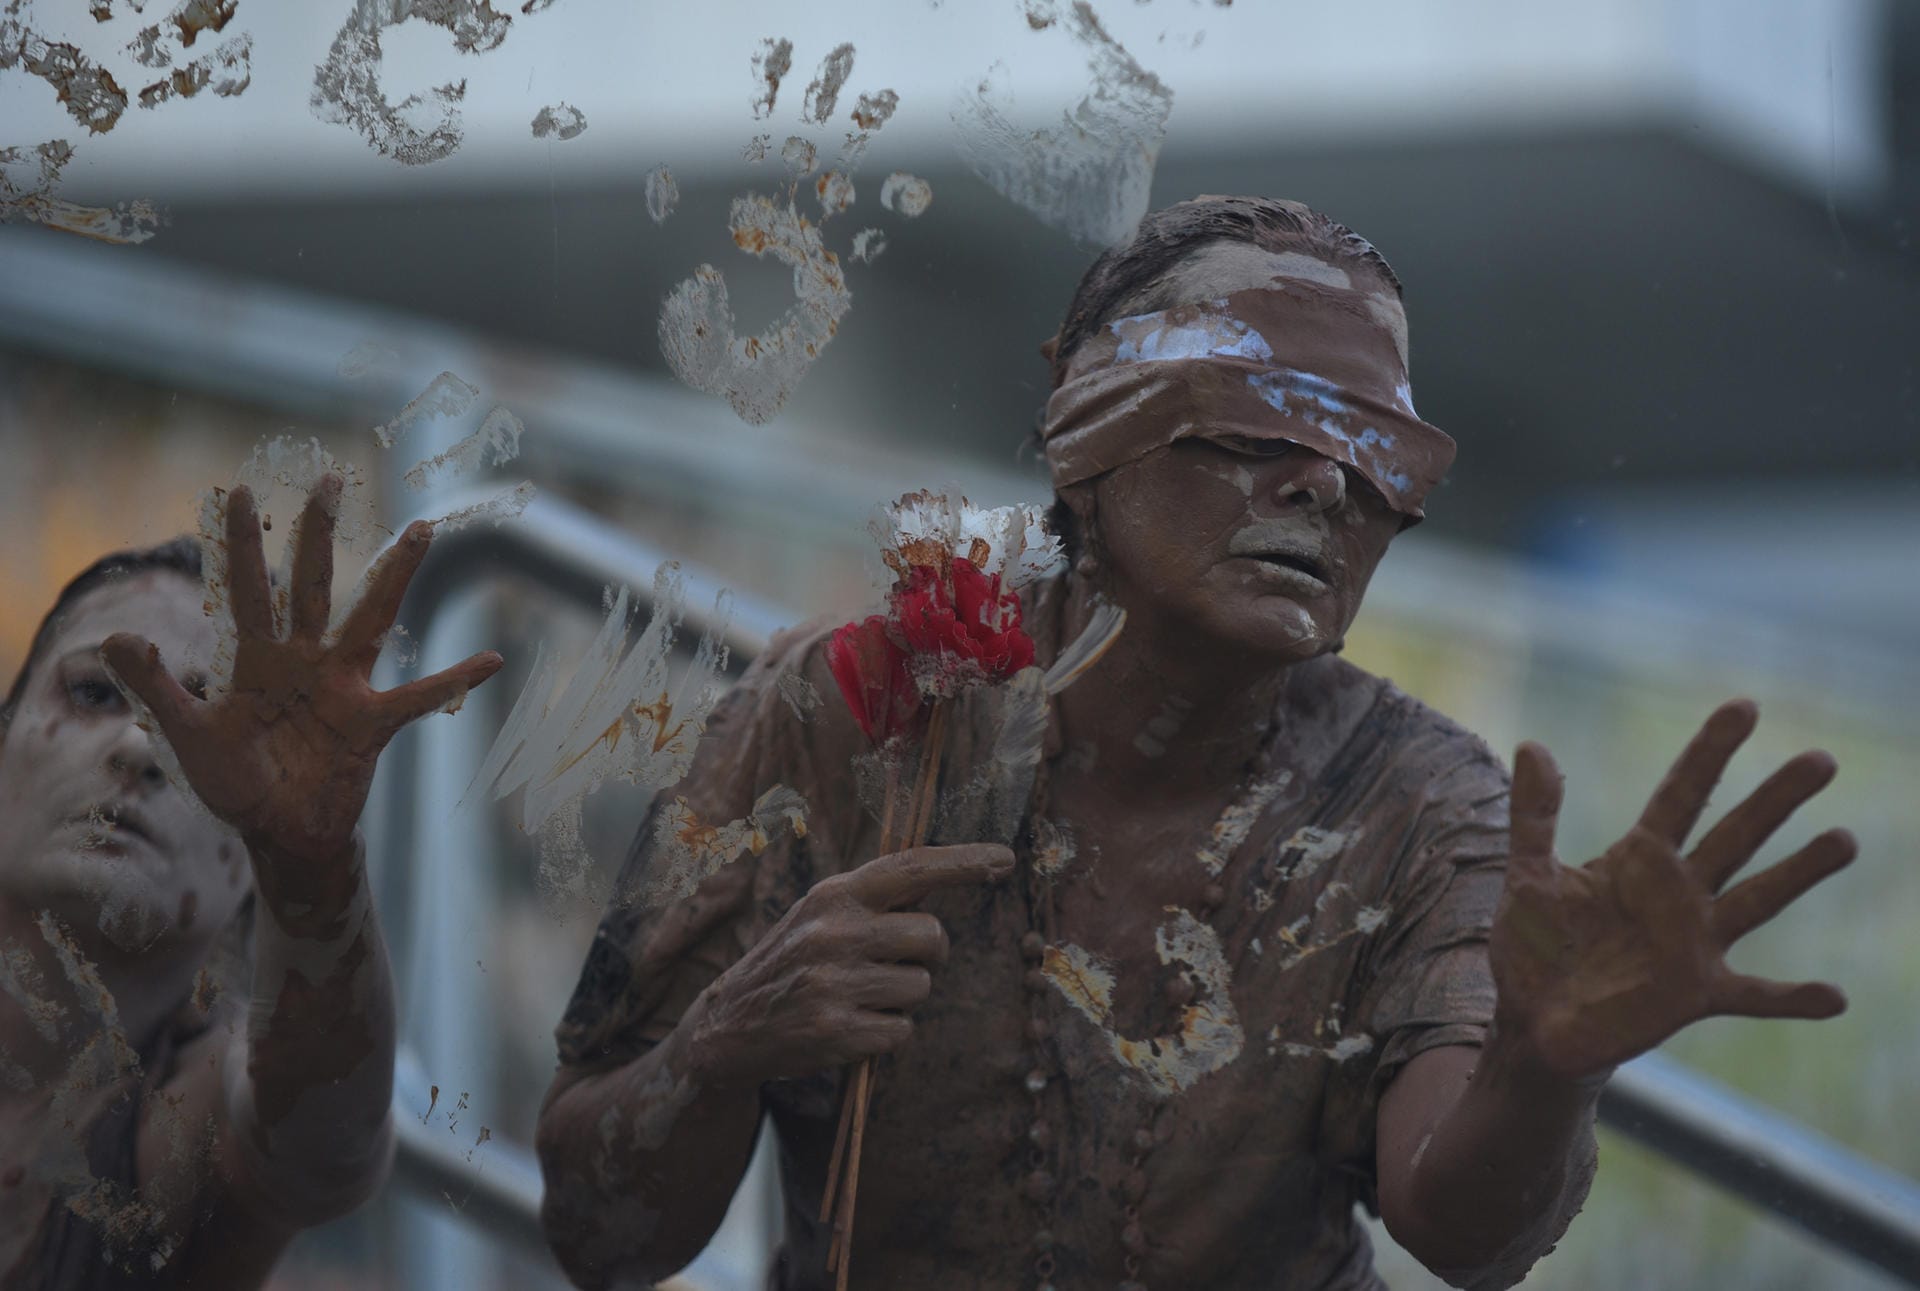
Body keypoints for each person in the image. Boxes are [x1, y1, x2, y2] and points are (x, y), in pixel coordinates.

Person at [534, 197, 1857, 1290]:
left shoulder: (1423, 804)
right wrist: (722, 1041)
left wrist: (1546, 1063)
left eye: (1380, 453)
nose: (1328, 482)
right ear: (1086, 434)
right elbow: (598, 1233)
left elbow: (1466, 1231)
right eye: (1262, 417)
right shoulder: (840, 713)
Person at [0, 476, 501, 1288]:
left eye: (210, 738)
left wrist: (311, 864)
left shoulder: (171, 1141)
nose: (138, 751)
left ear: (247, 868)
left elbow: (320, 1141)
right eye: (95, 692)